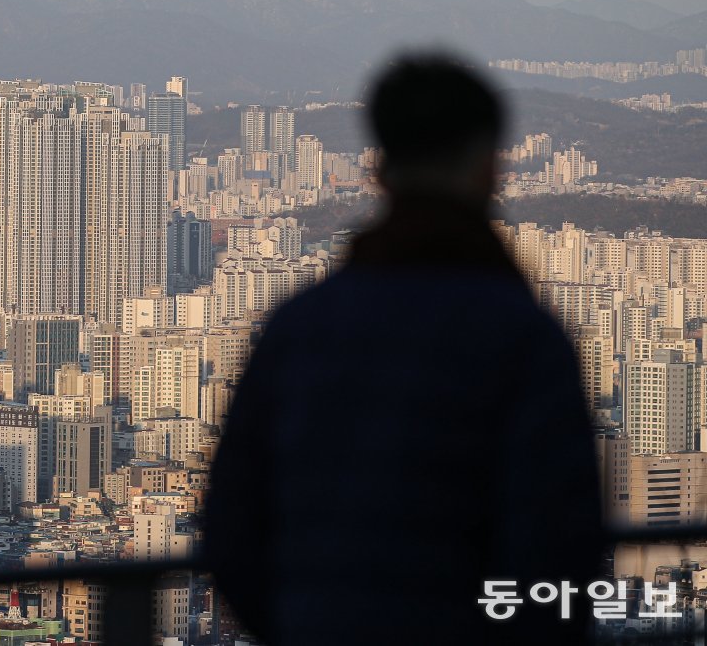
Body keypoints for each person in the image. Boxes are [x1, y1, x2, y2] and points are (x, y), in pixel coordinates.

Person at [204, 56, 602, 645]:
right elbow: (559, 547)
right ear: (492, 169)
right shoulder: (523, 337)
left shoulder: (301, 326)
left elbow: (233, 525)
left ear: (379, 171)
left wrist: (299, 625)